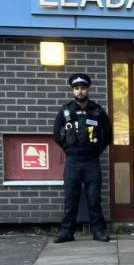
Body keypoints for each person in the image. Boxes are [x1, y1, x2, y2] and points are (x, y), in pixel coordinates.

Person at [52, 73, 112, 243]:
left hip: (92, 161)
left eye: (83, 88)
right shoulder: (65, 111)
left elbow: (107, 135)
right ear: (73, 90)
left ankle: (98, 231)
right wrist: (67, 148)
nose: (80, 91)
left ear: (87, 89)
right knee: (71, 197)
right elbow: (56, 134)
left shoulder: (97, 111)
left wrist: (97, 151)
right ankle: (66, 232)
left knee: (94, 198)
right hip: (72, 161)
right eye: (77, 88)